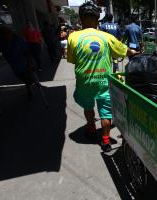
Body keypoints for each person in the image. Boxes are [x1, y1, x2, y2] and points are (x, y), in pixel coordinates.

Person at [67, 2, 138, 152]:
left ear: (80, 19)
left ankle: (91, 129)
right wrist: (133, 52)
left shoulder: (73, 37)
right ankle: (106, 141)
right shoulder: (106, 37)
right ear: (97, 19)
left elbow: (72, 59)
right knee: (105, 113)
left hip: (84, 82)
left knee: (88, 106)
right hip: (103, 81)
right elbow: (123, 51)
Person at [0, 26, 35, 98]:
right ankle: (29, 86)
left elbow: (27, 51)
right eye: (3, 35)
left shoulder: (17, 39)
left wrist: (30, 61)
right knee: (22, 76)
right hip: (14, 65)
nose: (5, 36)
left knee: (27, 77)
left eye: (6, 34)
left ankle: (29, 87)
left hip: (24, 62)